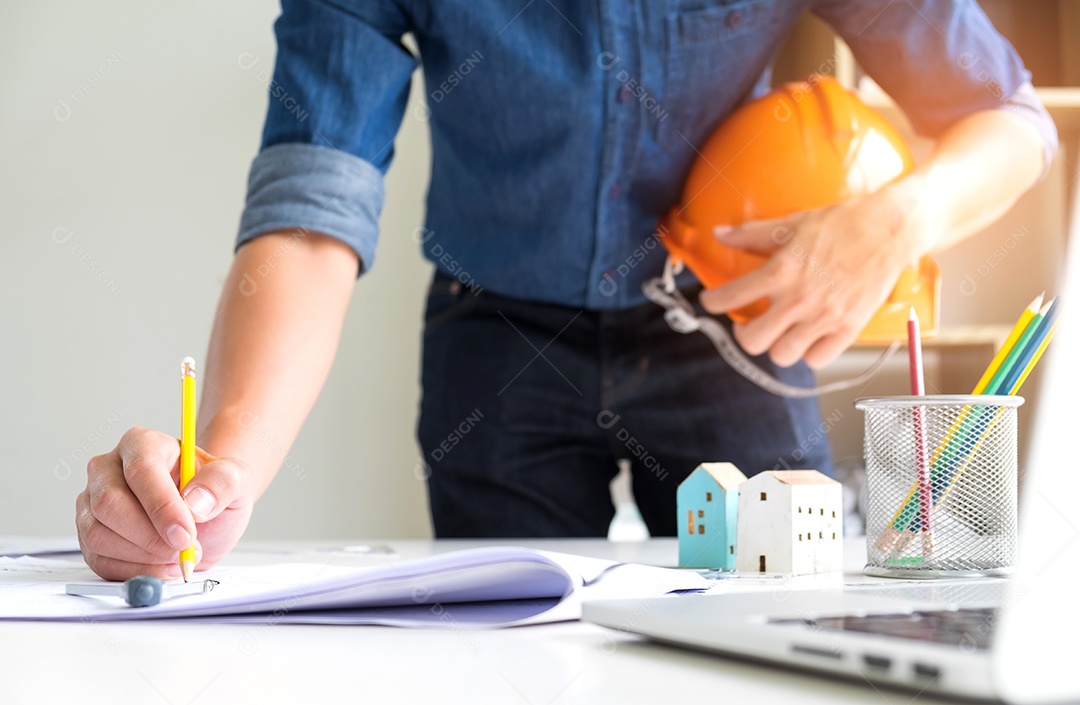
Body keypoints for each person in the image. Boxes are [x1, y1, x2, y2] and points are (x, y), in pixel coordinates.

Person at [76, 0, 1056, 580]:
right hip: (494, 339)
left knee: (777, 626)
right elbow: (314, 199)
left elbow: (1010, 118)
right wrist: (225, 474)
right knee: (512, 659)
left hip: (729, 333)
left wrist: (900, 219)